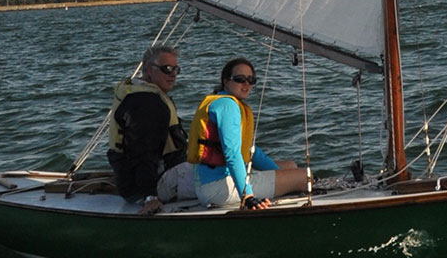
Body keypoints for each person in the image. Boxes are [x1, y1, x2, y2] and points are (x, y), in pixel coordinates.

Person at [187, 57, 309, 210]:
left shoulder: (222, 101)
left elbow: (253, 153)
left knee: (291, 166)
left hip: (210, 186)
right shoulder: (228, 106)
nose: (246, 84)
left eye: (250, 80)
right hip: (219, 189)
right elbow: (232, 154)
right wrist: (248, 196)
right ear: (225, 81)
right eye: (239, 79)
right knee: (305, 177)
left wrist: (282, 175)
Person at [107, 45, 193, 215]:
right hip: (149, 186)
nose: (173, 74)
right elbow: (142, 151)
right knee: (223, 182)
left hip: (148, 179)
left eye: (176, 69)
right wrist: (149, 196)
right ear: (148, 70)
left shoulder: (139, 93)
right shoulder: (146, 104)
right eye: (166, 69)